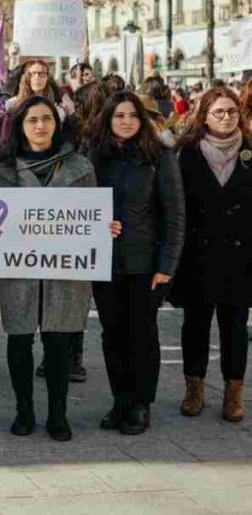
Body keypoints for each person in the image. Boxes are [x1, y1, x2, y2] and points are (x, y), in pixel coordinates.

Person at [0, 96, 98, 441]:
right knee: (19, 340)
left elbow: (91, 215)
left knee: (59, 342)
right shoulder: (4, 170)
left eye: (47, 119)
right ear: (21, 126)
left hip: (64, 271)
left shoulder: (80, 167)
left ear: (57, 125)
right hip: (19, 270)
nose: (40, 126)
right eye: (32, 120)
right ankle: (24, 410)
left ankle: (58, 414)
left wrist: (103, 228)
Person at [88, 90, 184, 435]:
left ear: (141, 120)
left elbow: (175, 215)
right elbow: (80, 208)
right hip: (104, 263)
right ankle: (120, 400)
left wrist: (167, 265)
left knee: (141, 335)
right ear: (108, 119)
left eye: (132, 115)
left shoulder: (159, 155)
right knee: (112, 334)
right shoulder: (95, 157)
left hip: (145, 264)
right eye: (119, 115)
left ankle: (140, 404)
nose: (126, 121)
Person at [172, 87, 252, 422]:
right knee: (196, 324)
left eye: (232, 111)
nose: (226, 117)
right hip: (198, 254)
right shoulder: (187, 153)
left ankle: (234, 392)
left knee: (235, 326)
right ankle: (195, 387)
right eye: (219, 112)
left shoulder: (250, 151)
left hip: (241, 254)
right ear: (204, 115)